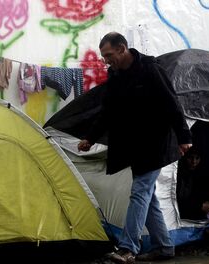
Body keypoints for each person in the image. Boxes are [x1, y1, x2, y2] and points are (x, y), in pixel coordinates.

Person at [77, 32, 192, 264]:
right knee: (148, 199)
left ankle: (127, 248)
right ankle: (164, 247)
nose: (106, 61)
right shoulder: (116, 75)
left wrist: (184, 136)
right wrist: (90, 137)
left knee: (140, 193)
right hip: (134, 146)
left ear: (122, 48)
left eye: (109, 55)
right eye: (104, 57)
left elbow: (172, 103)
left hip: (156, 144)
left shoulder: (150, 69)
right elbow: (108, 111)